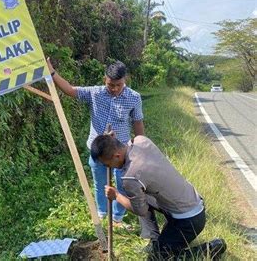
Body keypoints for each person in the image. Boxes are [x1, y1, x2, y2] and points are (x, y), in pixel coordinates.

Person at [91, 134, 225, 259]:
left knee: (158, 257)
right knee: (140, 197)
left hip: (189, 220)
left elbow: (140, 211)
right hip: (192, 201)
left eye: (107, 165)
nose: (109, 167)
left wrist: (117, 196)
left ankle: (212, 248)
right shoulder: (141, 140)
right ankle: (155, 241)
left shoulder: (131, 177)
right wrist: (109, 141)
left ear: (117, 156)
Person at [47, 58, 145, 226]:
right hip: (98, 151)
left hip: (121, 153)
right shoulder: (95, 93)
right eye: (110, 84)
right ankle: (102, 213)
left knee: (123, 184)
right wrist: (52, 72)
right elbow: (70, 90)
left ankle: (117, 218)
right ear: (104, 80)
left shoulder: (134, 98)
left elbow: (137, 122)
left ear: (125, 80)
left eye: (118, 85)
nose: (114, 89)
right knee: (100, 184)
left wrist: (140, 147)